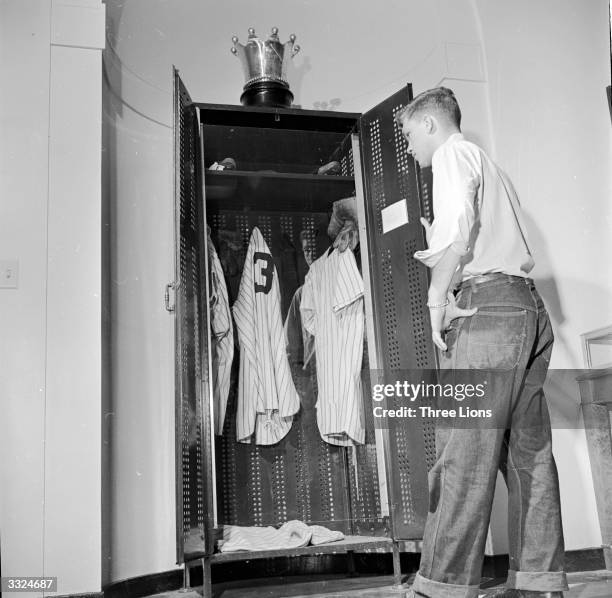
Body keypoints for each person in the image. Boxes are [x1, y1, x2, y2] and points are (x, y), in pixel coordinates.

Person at [396, 87, 567, 598]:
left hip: (488, 309)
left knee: (462, 452)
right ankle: (539, 582)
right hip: (528, 309)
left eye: (407, 135)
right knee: (529, 452)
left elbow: (459, 230)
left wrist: (435, 299)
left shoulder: (450, 152)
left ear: (430, 123)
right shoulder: (488, 165)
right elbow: (476, 233)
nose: (408, 149)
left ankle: (441, 586)